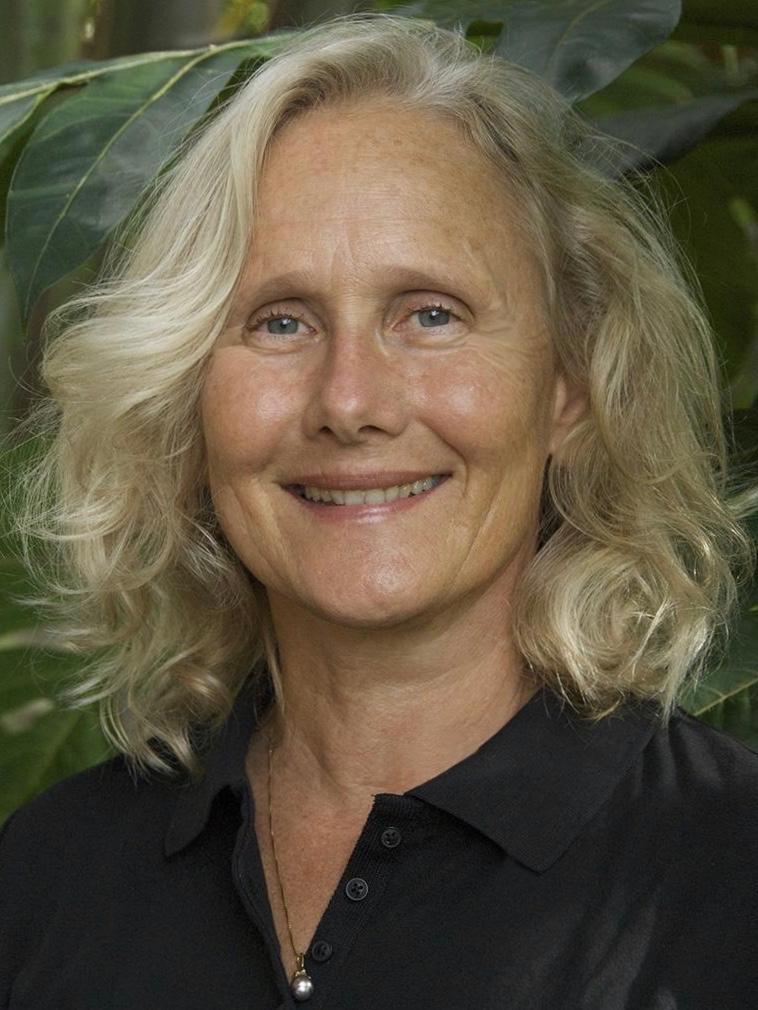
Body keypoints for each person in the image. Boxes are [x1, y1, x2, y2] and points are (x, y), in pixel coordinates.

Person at [1, 11, 757, 1010]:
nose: (350, 401)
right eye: (280, 321)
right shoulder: (44, 880)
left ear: (569, 385)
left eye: (431, 314)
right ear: (184, 398)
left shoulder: (730, 872)